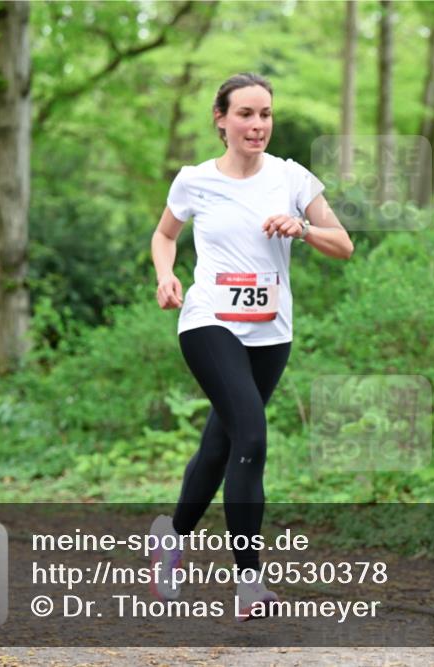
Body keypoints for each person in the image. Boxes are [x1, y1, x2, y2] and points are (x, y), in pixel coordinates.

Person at [148, 73, 354, 621]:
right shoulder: (194, 180)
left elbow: (344, 245)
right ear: (220, 119)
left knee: (222, 444)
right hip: (208, 319)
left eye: (265, 114)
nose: (257, 125)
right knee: (252, 435)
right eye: (245, 114)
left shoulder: (292, 179)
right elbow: (165, 234)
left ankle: (171, 535)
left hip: (271, 331)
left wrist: (304, 229)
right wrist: (166, 276)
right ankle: (249, 584)